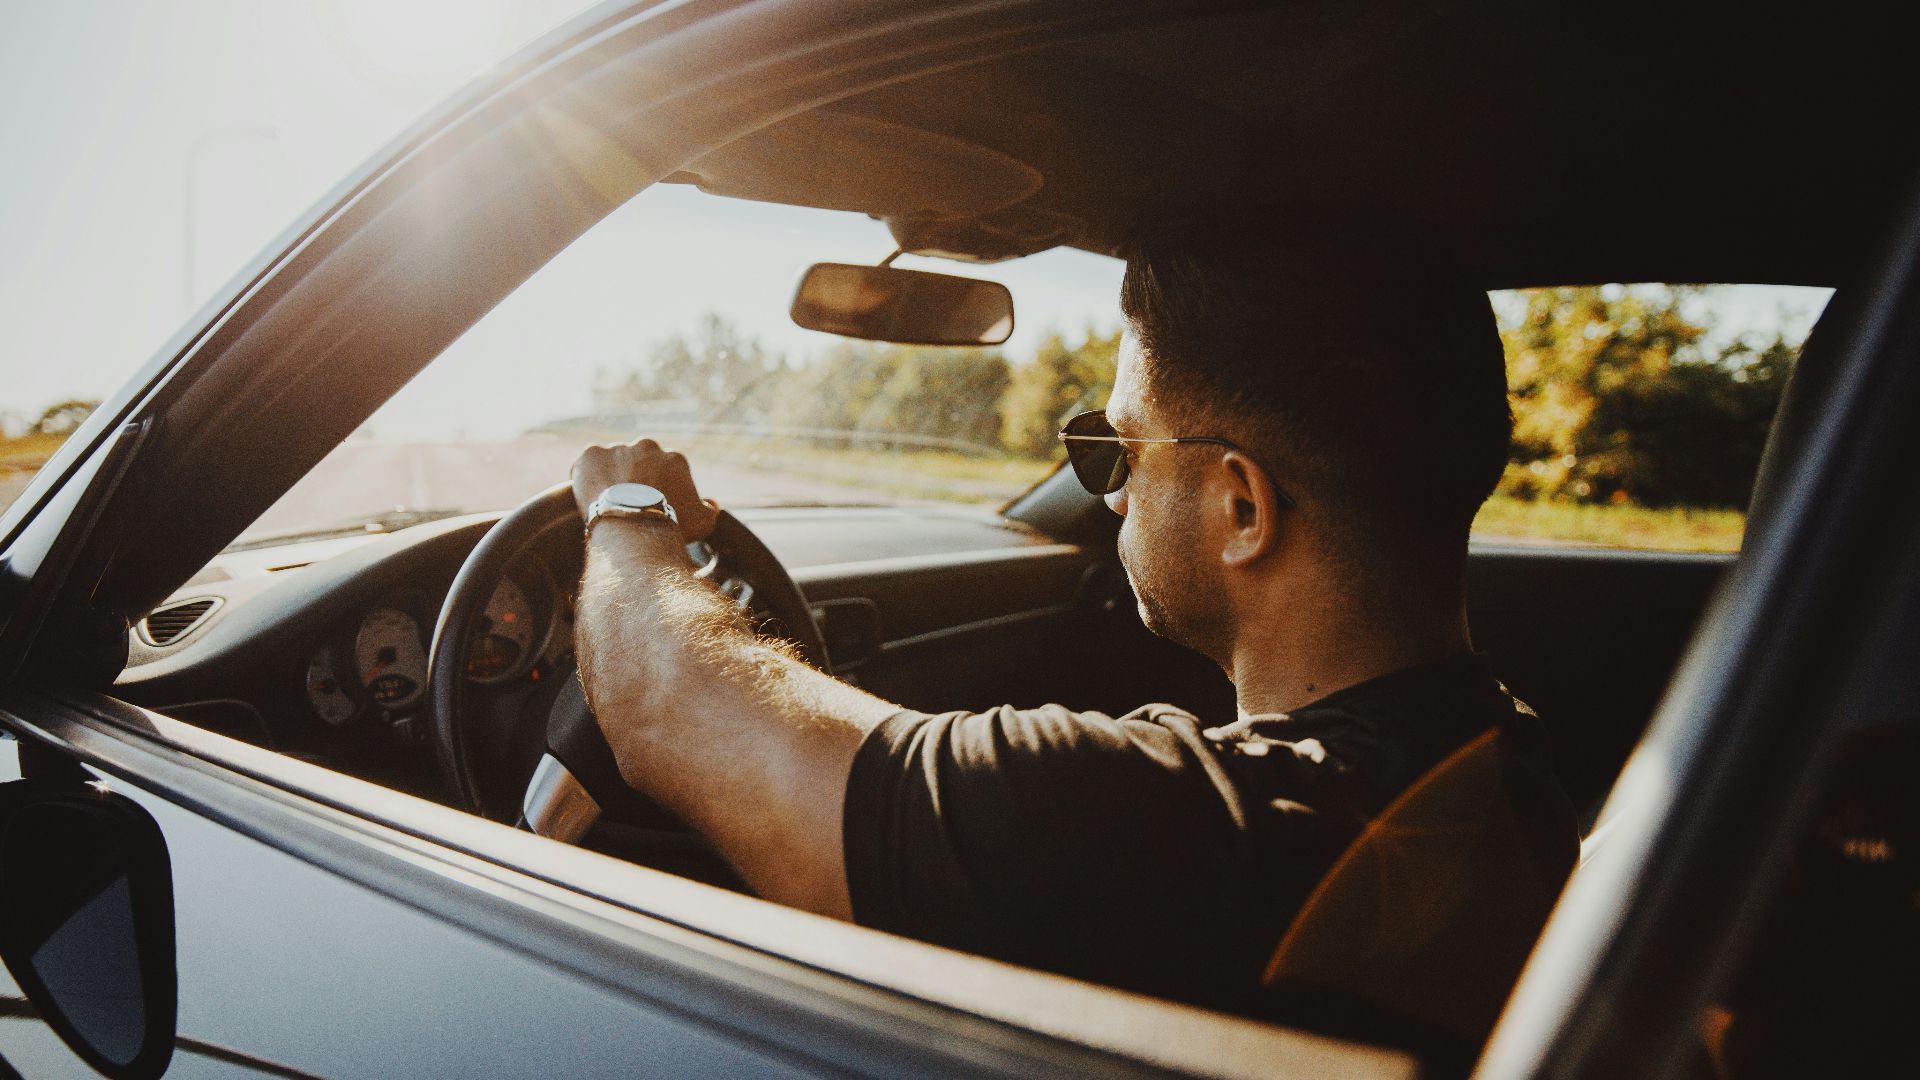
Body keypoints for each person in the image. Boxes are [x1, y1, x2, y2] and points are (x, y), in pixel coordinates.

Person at [567, 215, 1578, 1018]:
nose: (1109, 493)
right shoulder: (1506, 759)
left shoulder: (1160, 829)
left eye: (1119, 447)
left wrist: (628, 514)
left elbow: (662, 705)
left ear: (1240, 507)